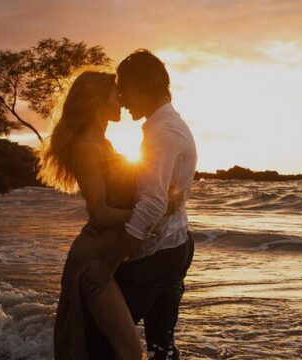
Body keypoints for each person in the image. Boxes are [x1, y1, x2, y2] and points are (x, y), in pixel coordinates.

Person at [37, 70, 183, 359]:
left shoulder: (103, 144)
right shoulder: (87, 147)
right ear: (97, 102)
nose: (122, 101)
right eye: (115, 95)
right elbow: (100, 214)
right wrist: (149, 216)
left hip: (107, 250)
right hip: (92, 258)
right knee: (128, 350)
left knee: (107, 347)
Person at [84, 49, 197, 360]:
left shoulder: (163, 132)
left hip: (157, 254)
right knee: (161, 347)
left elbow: (151, 205)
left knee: (104, 342)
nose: (122, 98)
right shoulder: (170, 125)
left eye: (125, 89)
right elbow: (158, 196)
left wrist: (108, 264)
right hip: (176, 244)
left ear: (143, 86)